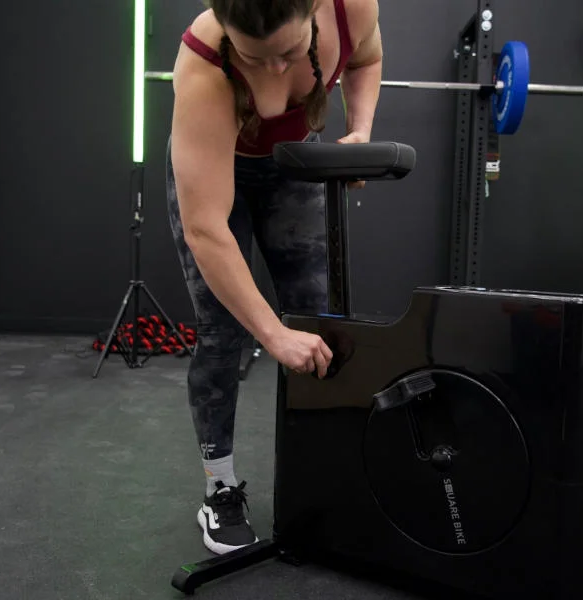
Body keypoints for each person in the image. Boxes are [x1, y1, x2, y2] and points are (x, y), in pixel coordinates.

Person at [165, 0, 383, 555]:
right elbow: (207, 229)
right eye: (256, 57)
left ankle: (325, 478)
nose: (277, 71)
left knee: (320, 317)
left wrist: (360, 130)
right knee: (222, 332)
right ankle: (220, 490)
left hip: (290, 162)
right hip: (218, 166)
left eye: (290, 52)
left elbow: (366, 59)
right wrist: (271, 334)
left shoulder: (350, 8)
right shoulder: (204, 65)